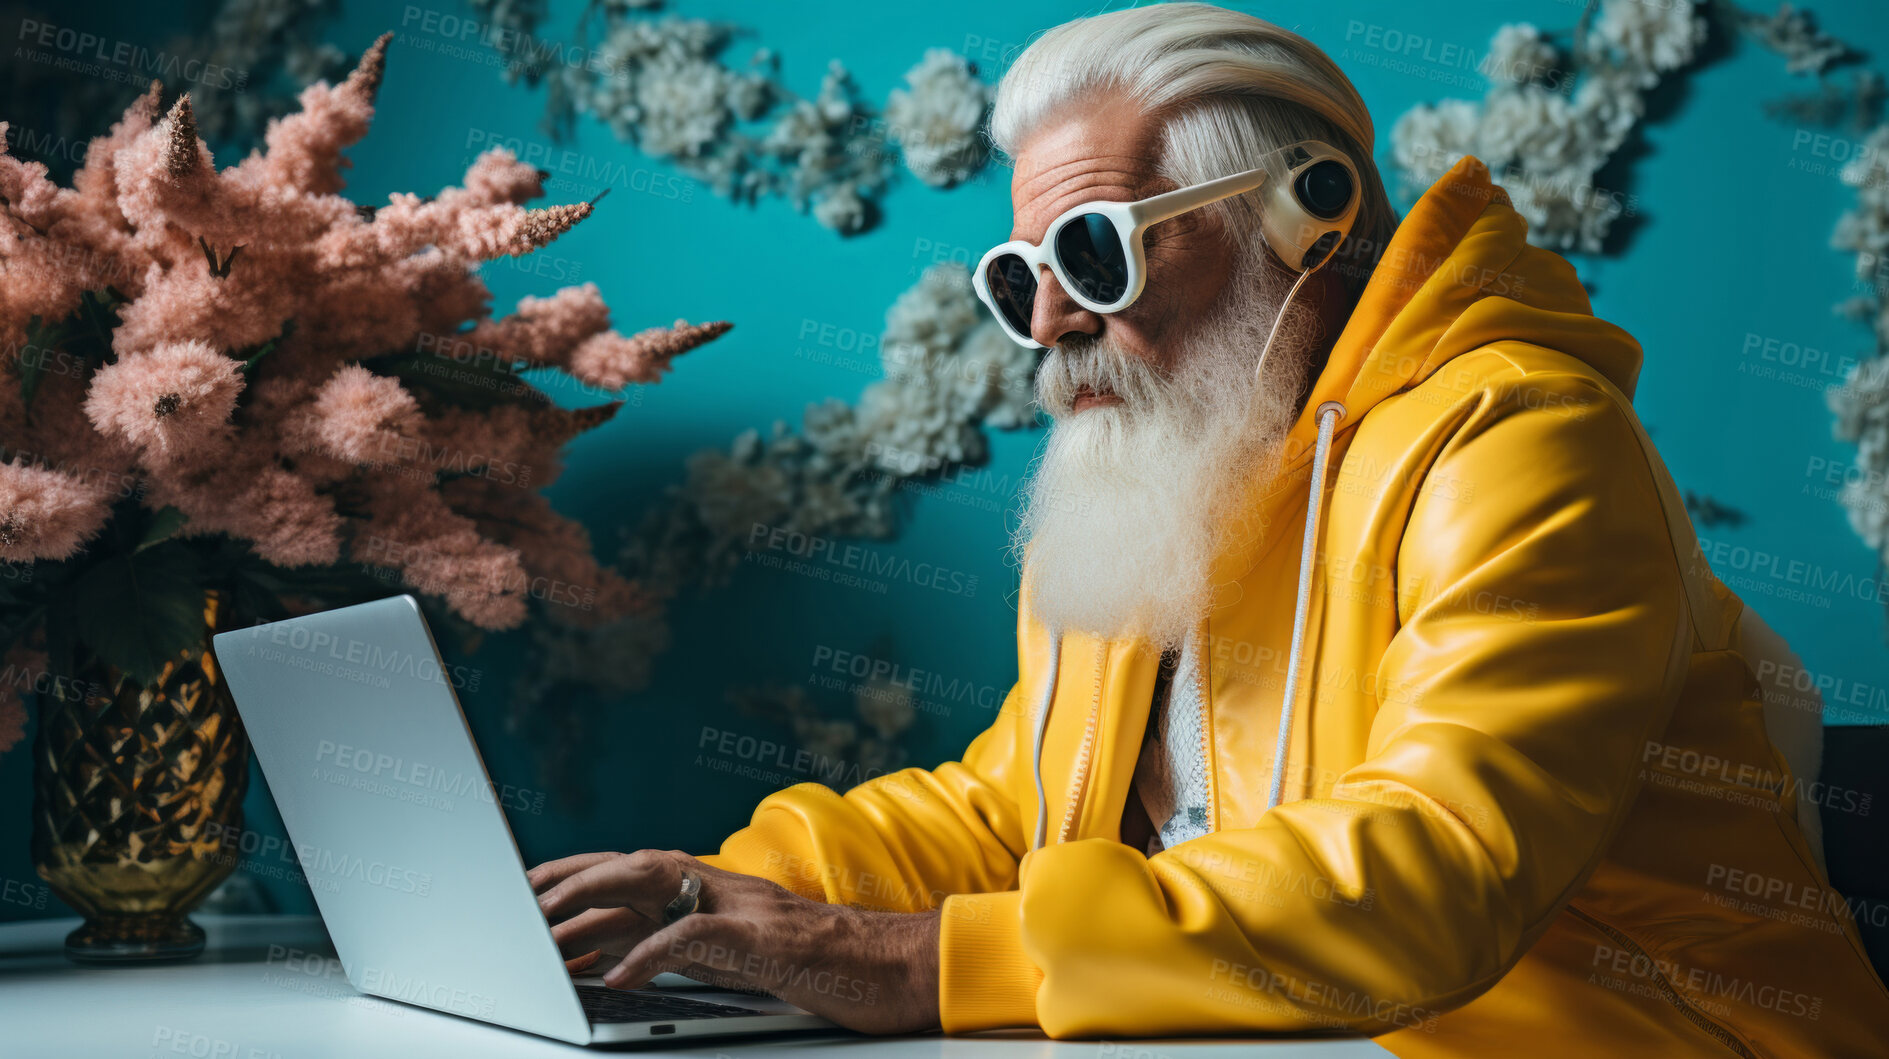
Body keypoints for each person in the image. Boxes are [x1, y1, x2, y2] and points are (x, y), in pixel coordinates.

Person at [531, 5, 1889, 1054]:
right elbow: (1016, 811)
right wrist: (698, 898)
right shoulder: (1164, 471)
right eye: (1021, 279)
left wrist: (912, 962)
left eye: (1096, 257)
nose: (1052, 324)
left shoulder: (1521, 446)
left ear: (1308, 219)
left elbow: (1431, 869)